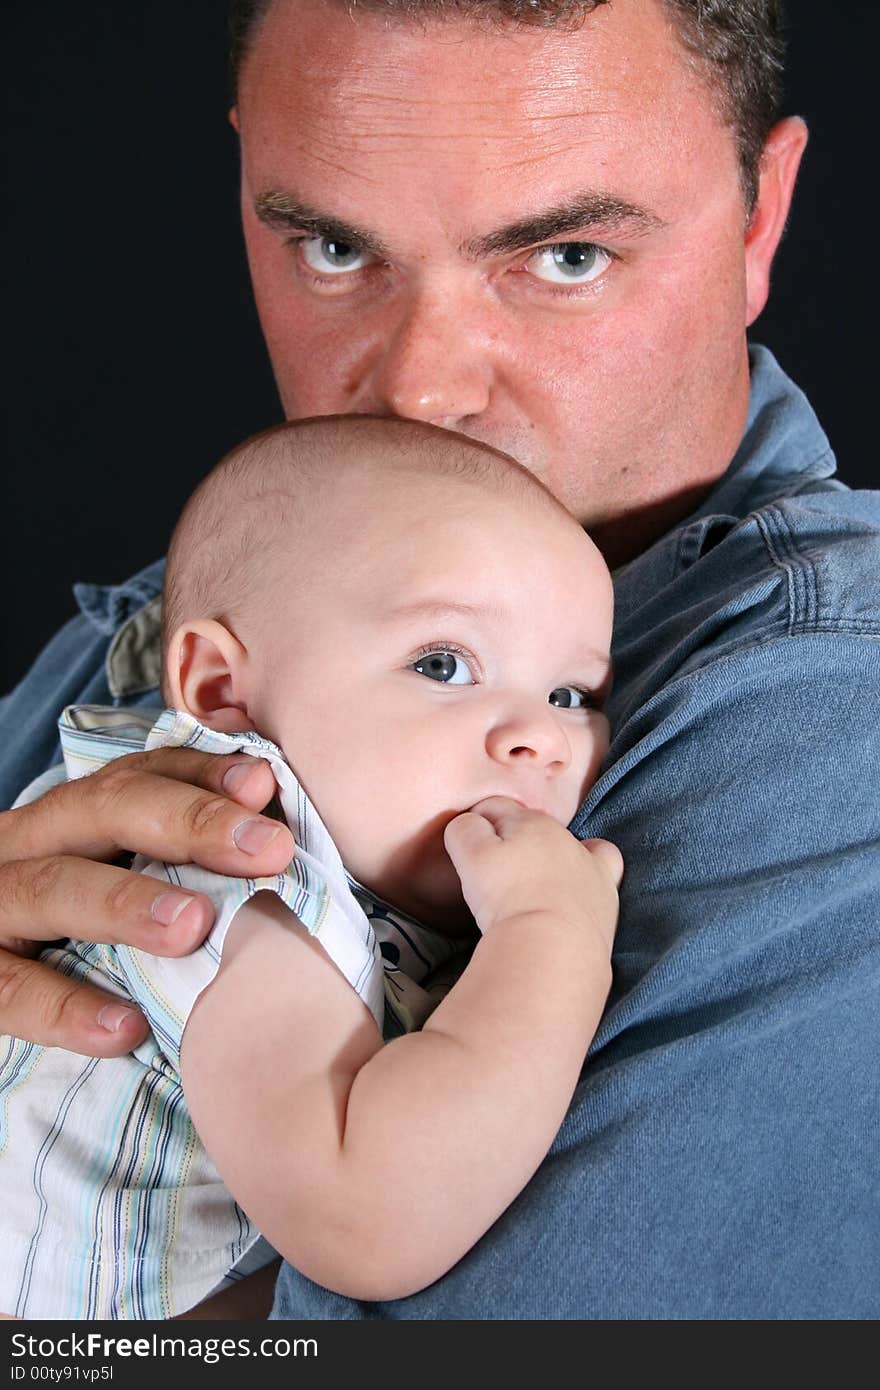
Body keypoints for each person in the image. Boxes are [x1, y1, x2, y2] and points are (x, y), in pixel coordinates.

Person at [0, 0, 877, 1319]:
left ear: (760, 216)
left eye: (565, 255)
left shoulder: (831, 717)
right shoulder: (151, 636)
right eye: (337, 245)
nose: (421, 392)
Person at [0, 415, 621, 1320]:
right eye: (443, 663)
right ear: (224, 695)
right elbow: (369, 1219)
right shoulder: (245, 891)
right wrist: (550, 939)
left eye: (571, 694)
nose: (540, 734)